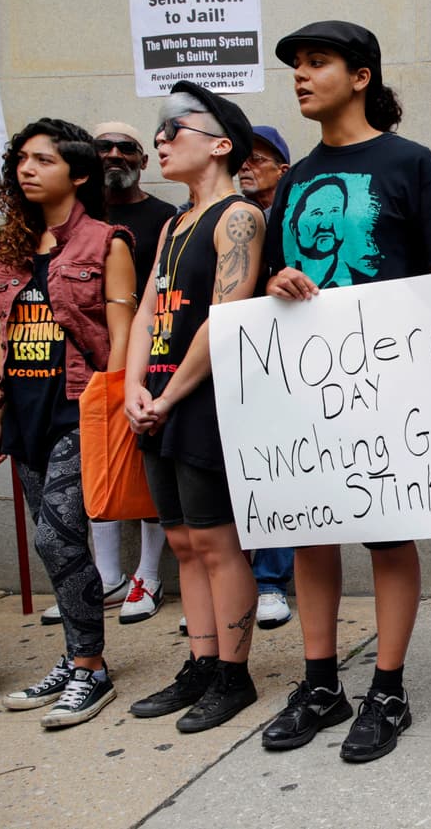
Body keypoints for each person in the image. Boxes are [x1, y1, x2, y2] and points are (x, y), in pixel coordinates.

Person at [258, 21, 431, 763]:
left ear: (362, 76)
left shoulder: (408, 162)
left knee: (385, 534)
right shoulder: (294, 178)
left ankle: (388, 687)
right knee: (311, 529)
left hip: (388, 385)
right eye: (297, 67)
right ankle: (320, 682)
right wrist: (276, 280)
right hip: (307, 386)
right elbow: (267, 287)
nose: (301, 76)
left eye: (318, 63)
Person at [124, 83, 265, 734]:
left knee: (214, 538)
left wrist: (169, 394)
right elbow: (149, 309)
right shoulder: (174, 223)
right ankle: (202, 663)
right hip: (156, 399)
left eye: (171, 127)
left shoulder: (238, 216)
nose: (158, 138)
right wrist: (133, 389)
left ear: (219, 144)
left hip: (204, 400)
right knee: (181, 538)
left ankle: (234, 674)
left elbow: (225, 315)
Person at [0, 118, 136, 728]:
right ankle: (75, 656)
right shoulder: (9, 246)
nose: (28, 169)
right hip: (23, 410)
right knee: (53, 541)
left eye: (43, 160)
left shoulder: (107, 242)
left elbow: (124, 334)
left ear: (78, 173)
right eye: (22, 159)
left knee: (58, 535)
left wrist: (125, 399)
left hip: (78, 407)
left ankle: (91, 668)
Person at [41, 121, 176, 628]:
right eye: (104, 148)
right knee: (98, 472)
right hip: (80, 368)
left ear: (144, 161)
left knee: (145, 469)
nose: (115, 155)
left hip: (151, 358)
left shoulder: (166, 216)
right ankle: (105, 576)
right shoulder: (77, 221)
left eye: (127, 148)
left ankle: (147, 574)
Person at [232, 123, 297, 630]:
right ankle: (233, 587)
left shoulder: (292, 217)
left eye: (259, 157)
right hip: (238, 361)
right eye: (242, 158)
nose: (248, 166)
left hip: (291, 363)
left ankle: (270, 582)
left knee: (280, 473)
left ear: (283, 167)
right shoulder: (229, 220)